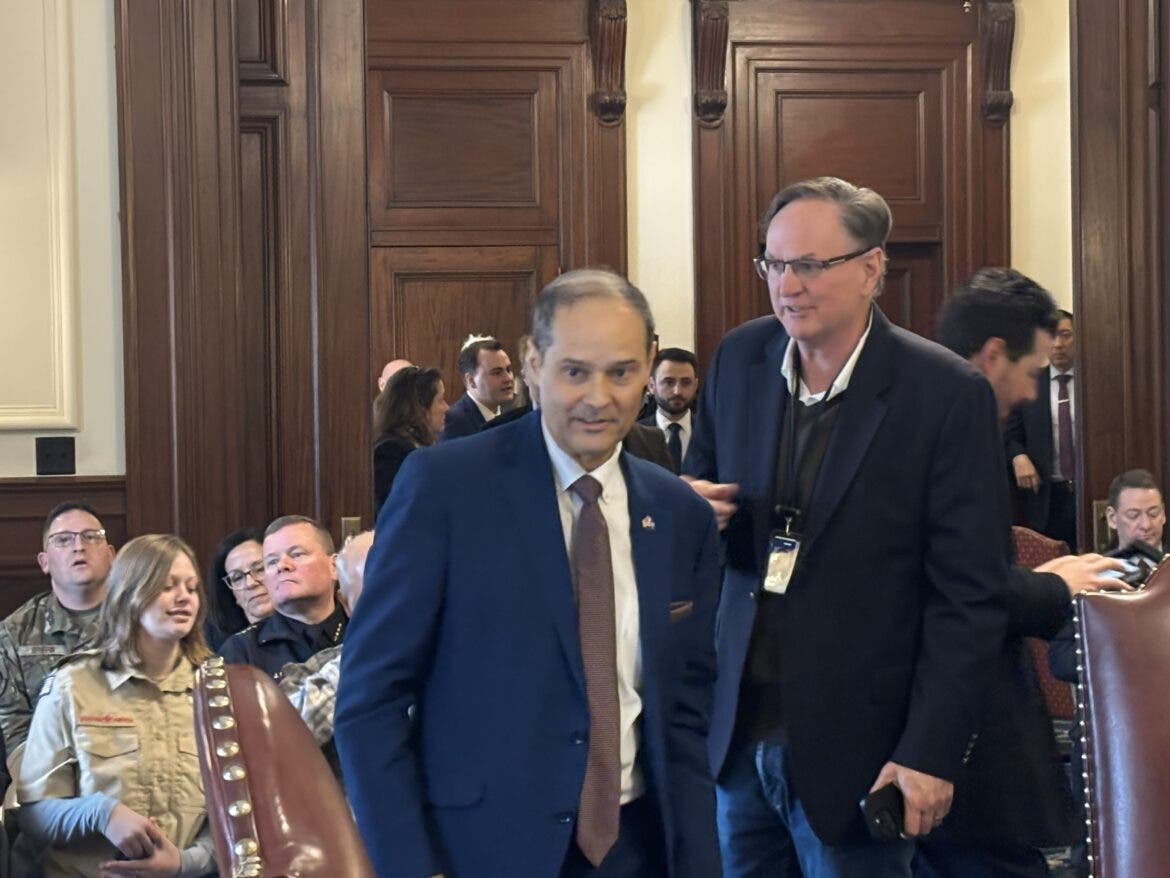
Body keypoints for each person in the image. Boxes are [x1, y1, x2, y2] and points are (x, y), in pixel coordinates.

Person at [335, 268, 722, 877]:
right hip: (478, 853)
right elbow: (370, 700)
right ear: (533, 362)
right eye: (575, 371)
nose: (599, 396)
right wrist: (411, 866)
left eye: (621, 372)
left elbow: (685, 717)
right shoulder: (445, 489)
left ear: (649, 366)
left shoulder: (679, 515)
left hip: (639, 849)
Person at [685, 176, 1009, 876]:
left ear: (871, 270)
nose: (787, 286)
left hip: (866, 751)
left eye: (809, 265)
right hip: (738, 740)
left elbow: (970, 598)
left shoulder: (946, 395)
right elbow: (699, 503)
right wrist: (688, 509)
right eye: (773, 264)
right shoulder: (739, 360)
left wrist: (930, 750)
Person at [924, 267, 1128, 877]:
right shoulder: (951, 435)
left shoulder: (923, 416)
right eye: (1034, 372)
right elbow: (963, 590)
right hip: (962, 740)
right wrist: (1056, 586)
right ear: (992, 357)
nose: (1035, 393)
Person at [17, 534, 215, 877]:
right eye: (166, 586)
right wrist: (100, 812)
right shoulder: (73, 684)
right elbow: (33, 813)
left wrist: (184, 864)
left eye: (192, 587)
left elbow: (237, 817)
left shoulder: (216, 689)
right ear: (129, 593)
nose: (184, 597)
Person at [0, 501, 116, 781]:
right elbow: (14, 728)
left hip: (128, 771)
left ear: (111, 555)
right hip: (47, 777)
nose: (79, 546)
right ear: (45, 562)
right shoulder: (15, 633)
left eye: (90, 537)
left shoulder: (140, 621)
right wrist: (46, 789)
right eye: (63, 540)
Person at [218, 515, 347, 677]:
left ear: (334, 566)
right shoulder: (240, 652)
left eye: (296, 554)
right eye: (272, 562)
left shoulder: (365, 630)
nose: (282, 566)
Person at [280, 529, 374, 746]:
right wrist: (369, 652)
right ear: (347, 604)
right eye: (373, 594)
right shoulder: (319, 670)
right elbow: (286, 739)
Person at [1004, 310, 1079, 549]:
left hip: (1087, 492)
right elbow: (1009, 431)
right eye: (1052, 336)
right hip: (1046, 496)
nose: (1058, 344)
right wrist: (1018, 455)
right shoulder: (1030, 384)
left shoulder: (1095, 380)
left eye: (1066, 335)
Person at [372, 365, 448, 510]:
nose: (447, 408)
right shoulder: (391, 451)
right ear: (418, 406)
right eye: (441, 400)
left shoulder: (421, 444)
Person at [203, 525, 274, 651]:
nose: (250, 583)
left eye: (260, 569)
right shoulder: (226, 649)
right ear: (232, 594)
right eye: (237, 578)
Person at [439, 335, 515, 439]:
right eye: (497, 373)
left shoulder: (513, 412)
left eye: (508, 370)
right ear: (471, 380)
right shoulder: (453, 422)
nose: (508, 378)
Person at [639, 348, 700, 473]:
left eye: (686, 382)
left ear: (695, 386)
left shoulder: (711, 433)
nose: (677, 391)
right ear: (651, 386)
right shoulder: (633, 436)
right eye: (669, 382)